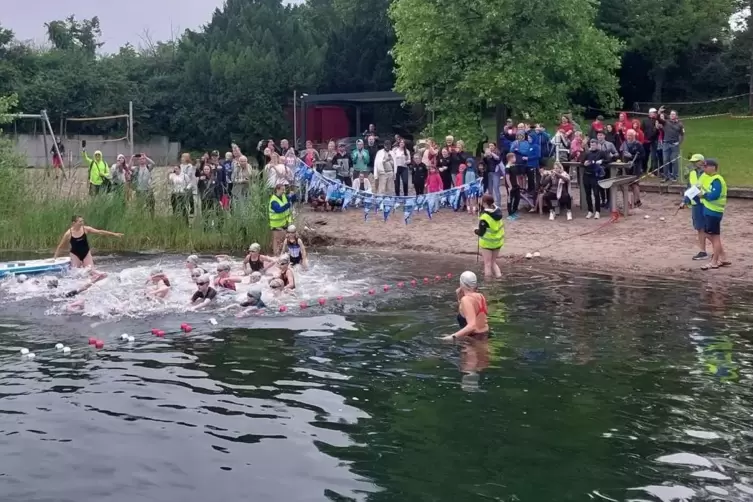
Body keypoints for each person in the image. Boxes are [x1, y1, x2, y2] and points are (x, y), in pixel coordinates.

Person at [53, 215, 123, 267]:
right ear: (74, 223)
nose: (82, 223)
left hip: (86, 253)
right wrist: (55, 258)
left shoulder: (86, 229)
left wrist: (114, 234)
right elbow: (60, 246)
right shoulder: (68, 233)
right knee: (76, 273)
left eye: (82, 221)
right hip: (75, 254)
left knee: (90, 270)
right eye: (80, 221)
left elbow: (100, 232)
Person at [440, 270, 490, 341]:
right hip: (485, 335)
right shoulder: (480, 296)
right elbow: (465, 313)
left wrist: (452, 337)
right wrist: (459, 298)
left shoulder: (466, 299)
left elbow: (472, 326)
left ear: (461, 284)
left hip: (473, 339)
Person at [698, 159, 730, 270]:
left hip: (714, 211)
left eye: (706, 167)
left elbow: (714, 195)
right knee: (709, 234)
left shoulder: (717, 180)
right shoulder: (711, 178)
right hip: (710, 210)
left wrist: (703, 195)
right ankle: (722, 257)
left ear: (713, 167)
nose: (704, 169)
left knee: (715, 237)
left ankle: (715, 261)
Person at [680, 154, 710, 260]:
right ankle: (703, 251)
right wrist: (684, 201)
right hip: (696, 204)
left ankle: (716, 250)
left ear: (702, 162)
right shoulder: (692, 173)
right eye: (693, 161)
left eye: (696, 161)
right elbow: (690, 188)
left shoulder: (708, 174)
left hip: (707, 203)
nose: (694, 163)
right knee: (699, 228)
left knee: (708, 228)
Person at [475, 194, 504, 279]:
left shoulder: (484, 217)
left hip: (487, 244)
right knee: (493, 262)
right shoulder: (498, 211)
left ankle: (487, 284)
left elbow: (481, 232)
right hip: (497, 242)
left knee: (487, 264)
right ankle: (499, 278)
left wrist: (475, 231)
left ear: (484, 203)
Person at [657, 106, 684, 182]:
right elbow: (658, 119)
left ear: (676, 116)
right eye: (671, 114)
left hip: (674, 144)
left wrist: (679, 143)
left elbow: (682, 134)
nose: (672, 115)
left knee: (674, 161)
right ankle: (666, 176)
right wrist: (659, 112)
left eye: (673, 114)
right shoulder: (665, 122)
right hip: (666, 144)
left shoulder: (680, 124)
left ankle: (675, 176)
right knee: (665, 160)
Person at [580, 138, 605, 219]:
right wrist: (584, 164)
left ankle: (597, 211)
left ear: (597, 145)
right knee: (588, 194)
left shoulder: (601, 152)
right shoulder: (587, 153)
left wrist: (601, 161)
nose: (592, 146)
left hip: (595, 176)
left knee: (596, 194)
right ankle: (590, 211)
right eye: (591, 144)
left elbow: (608, 159)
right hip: (586, 175)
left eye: (594, 144)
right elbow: (581, 162)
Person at [620, 129, 644, 209]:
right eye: (628, 135)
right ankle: (627, 202)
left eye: (630, 135)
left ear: (634, 136)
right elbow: (621, 152)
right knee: (623, 184)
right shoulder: (624, 144)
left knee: (635, 184)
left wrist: (632, 157)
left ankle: (637, 201)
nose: (629, 137)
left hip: (636, 167)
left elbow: (643, 156)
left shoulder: (638, 144)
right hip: (626, 167)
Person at [269, 183, 292, 255]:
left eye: (284, 190)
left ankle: (283, 256)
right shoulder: (273, 201)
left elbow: (293, 199)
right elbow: (278, 210)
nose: (284, 191)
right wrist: (288, 205)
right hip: (276, 225)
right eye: (282, 190)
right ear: (277, 190)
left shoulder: (284, 196)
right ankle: (276, 256)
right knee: (276, 241)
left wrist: (293, 195)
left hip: (284, 223)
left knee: (283, 241)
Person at [504, 153, 520, 220]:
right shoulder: (507, 167)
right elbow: (507, 178)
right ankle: (510, 214)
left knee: (517, 198)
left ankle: (514, 211)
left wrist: (518, 183)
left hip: (515, 185)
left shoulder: (514, 166)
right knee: (510, 199)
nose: (515, 159)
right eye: (514, 157)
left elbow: (515, 176)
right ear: (510, 158)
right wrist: (510, 186)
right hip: (510, 185)